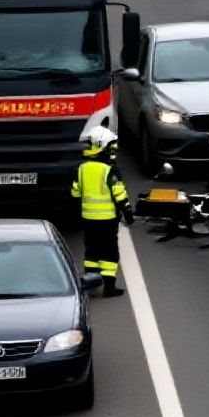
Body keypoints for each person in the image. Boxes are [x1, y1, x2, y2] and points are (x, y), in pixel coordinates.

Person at [71, 126, 134, 297]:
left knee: (91, 252)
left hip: (88, 219)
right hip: (107, 219)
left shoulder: (82, 168)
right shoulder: (109, 170)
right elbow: (119, 194)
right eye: (111, 147)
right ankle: (109, 287)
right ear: (104, 146)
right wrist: (128, 214)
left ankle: (90, 285)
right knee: (109, 253)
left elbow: (75, 193)